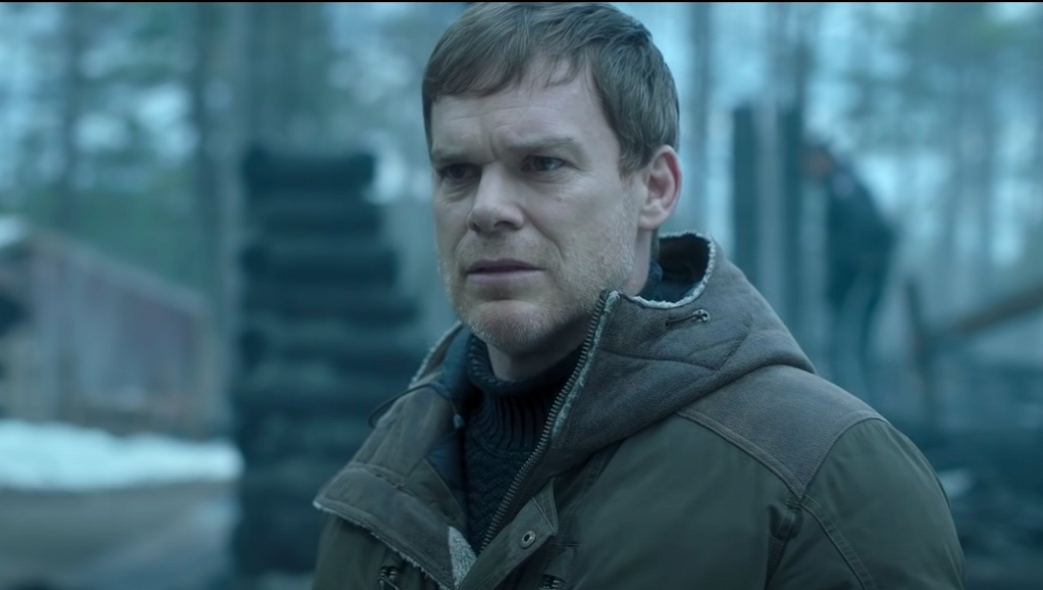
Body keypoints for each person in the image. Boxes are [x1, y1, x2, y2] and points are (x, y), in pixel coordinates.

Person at [312, 4, 963, 589]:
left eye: (542, 164)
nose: (486, 209)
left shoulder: (824, 478)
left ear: (654, 189)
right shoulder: (386, 470)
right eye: (457, 172)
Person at [803, 142, 897, 404]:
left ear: (823, 158)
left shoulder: (842, 185)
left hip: (859, 280)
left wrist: (847, 278)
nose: (807, 170)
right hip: (859, 278)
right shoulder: (843, 183)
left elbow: (864, 228)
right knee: (849, 344)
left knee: (848, 345)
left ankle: (853, 404)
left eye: (810, 161)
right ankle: (852, 401)